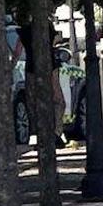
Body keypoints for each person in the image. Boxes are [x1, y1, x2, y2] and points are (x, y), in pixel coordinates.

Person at [19, 13, 66, 148]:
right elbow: (55, 40)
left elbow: (18, 49)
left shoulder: (25, 31)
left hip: (30, 68)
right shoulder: (47, 26)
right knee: (57, 101)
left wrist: (12, 65)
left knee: (33, 102)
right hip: (49, 66)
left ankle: (40, 134)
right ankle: (56, 133)